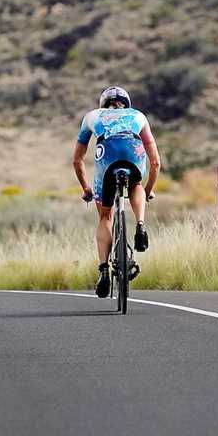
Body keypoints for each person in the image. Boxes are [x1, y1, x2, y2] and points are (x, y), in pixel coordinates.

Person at [72, 86, 162, 298]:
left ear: (103, 104)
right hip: (133, 151)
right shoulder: (138, 116)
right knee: (136, 184)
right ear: (126, 103)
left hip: (107, 155)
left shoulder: (92, 117)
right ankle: (140, 224)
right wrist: (148, 190)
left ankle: (103, 269)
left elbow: (77, 160)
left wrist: (86, 188)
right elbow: (156, 162)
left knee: (105, 216)